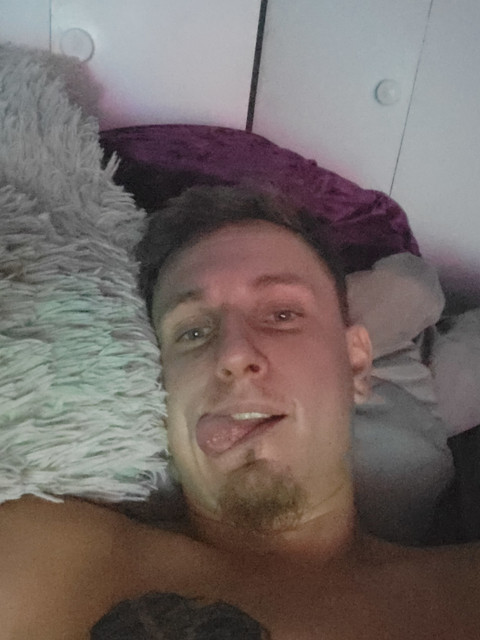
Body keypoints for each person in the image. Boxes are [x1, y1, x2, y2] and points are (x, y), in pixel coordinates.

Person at [1, 186, 479, 639]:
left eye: (282, 315)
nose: (232, 354)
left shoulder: (461, 591)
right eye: (192, 332)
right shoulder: (50, 562)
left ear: (355, 363)